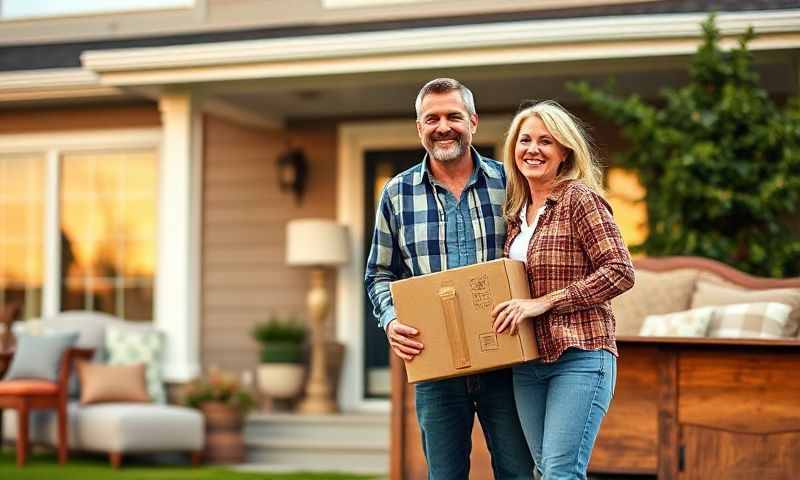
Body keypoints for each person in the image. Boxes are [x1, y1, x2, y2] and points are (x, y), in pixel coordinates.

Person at [365, 78, 534, 480]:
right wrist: (390, 319)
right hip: (435, 366)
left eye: (453, 116)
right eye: (432, 118)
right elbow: (379, 274)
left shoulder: (510, 183)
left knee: (518, 472)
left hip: (506, 361)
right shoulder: (397, 193)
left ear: (473, 122)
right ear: (419, 127)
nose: (443, 126)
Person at [491, 100, 635, 480]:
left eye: (546, 141)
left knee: (561, 472)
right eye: (525, 140)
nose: (533, 150)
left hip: (581, 353)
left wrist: (545, 303)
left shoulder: (578, 199)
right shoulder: (517, 212)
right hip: (528, 363)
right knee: (546, 470)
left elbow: (620, 271)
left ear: (564, 151)